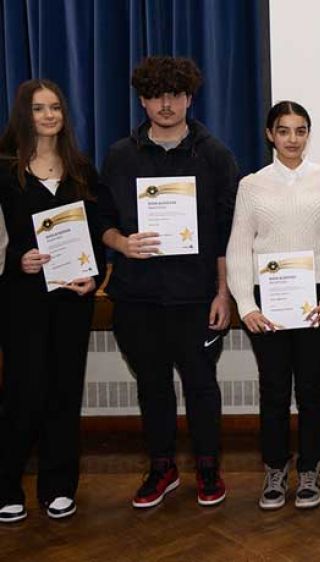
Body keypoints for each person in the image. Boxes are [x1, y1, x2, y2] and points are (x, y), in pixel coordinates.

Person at [97, 56, 238, 508]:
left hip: (196, 296)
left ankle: (207, 466)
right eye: (156, 95)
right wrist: (122, 243)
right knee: (152, 385)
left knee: (201, 385)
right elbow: (100, 221)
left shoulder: (213, 154)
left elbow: (225, 231)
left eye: (175, 95)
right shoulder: (121, 155)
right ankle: (162, 467)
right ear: (142, 99)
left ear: (189, 99)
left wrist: (222, 292)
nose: (165, 104)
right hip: (137, 295)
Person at [226, 101, 320, 510]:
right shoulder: (252, 185)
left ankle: (310, 468)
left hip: (316, 301)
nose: (293, 139)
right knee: (274, 388)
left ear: (309, 134)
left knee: (311, 388)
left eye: (301, 130)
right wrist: (245, 305)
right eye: (284, 130)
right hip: (267, 303)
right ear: (270, 135)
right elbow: (239, 247)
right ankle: (275, 468)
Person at [0, 79, 104, 523]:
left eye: (56, 107)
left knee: (65, 390)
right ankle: (6, 485)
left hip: (71, 298)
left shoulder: (81, 169)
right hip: (22, 299)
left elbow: (97, 233)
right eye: (40, 108)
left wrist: (93, 276)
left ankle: (59, 486)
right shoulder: (4, 170)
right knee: (24, 392)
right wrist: (16, 260)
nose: (49, 115)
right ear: (24, 114)